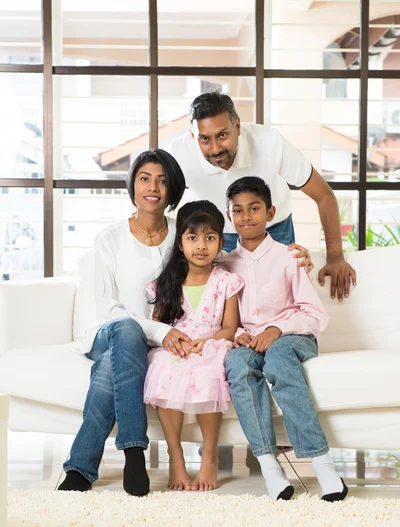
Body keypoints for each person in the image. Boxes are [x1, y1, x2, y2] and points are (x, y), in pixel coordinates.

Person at [58, 149, 193, 496]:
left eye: (162, 180)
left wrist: (287, 255)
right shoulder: (111, 238)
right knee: (126, 331)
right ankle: (135, 451)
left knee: (110, 369)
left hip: (137, 349)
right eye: (145, 178)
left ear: (173, 189)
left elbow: (221, 257)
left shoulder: (183, 235)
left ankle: (80, 469)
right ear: (133, 184)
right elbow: (108, 309)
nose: (153, 187)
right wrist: (161, 332)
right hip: (108, 333)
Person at [222, 176, 348, 502]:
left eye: (254, 208)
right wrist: (241, 335)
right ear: (229, 216)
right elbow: (224, 319)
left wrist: (276, 330)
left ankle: (323, 465)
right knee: (236, 363)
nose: (246, 216)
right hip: (250, 342)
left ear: (270, 212)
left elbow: (314, 314)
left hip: (293, 337)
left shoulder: (288, 256)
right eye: (238, 210)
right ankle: (270, 468)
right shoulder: (224, 265)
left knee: (278, 358)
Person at [168, 90, 356, 302]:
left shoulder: (270, 143)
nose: (215, 148)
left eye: (222, 135)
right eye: (204, 139)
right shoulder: (179, 154)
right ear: (194, 137)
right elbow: (156, 202)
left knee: (280, 300)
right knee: (229, 306)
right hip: (222, 234)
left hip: (275, 227)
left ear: (237, 126)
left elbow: (323, 195)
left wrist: (335, 257)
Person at [144, 200, 243, 492]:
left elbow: (229, 328)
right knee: (163, 368)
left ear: (220, 242)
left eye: (210, 238)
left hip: (212, 345)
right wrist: (173, 341)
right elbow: (158, 327)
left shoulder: (226, 282)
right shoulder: (167, 283)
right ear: (180, 244)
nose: (201, 245)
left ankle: (209, 455)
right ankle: (176, 457)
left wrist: (207, 342)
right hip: (176, 348)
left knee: (207, 372)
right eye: (192, 238)